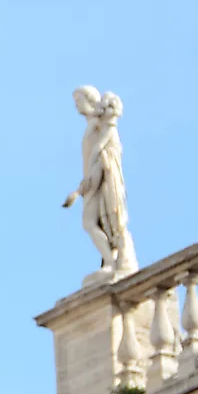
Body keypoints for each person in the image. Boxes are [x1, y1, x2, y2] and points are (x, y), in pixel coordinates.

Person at [64, 85, 137, 281]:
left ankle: (111, 262)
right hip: (92, 177)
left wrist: (86, 184)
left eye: (79, 100)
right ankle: (110, 260)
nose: (77, 105)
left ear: (89, 100)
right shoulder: (94, 124)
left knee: (91, 222)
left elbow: (102, 151)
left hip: (100, 177)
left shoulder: (100, 124)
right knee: (92, 222)